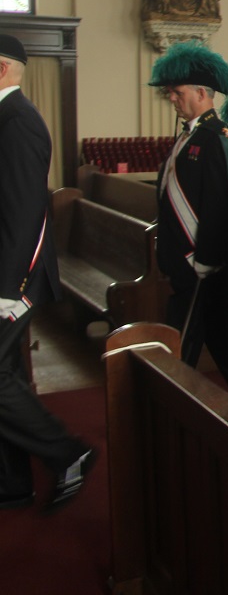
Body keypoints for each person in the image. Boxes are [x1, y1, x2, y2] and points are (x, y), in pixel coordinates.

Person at [0, 35, 95, 512]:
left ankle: (68, 452)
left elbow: (25, 214)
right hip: (8, 275)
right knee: (8, 375)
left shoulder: (18, 122)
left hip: (13, 278)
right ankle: (12, 483)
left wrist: (8, 288)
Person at [148, 41, 228, 410]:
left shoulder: (218, 138)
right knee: (219, 331)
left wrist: (207, 257)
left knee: (187, 334)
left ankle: (169, 401)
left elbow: (222, 203)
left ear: (202, 93)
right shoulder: (190, 134)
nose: (172, 98)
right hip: (185, 257)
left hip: (201, 261)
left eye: (178, 92)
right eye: (171, 92)